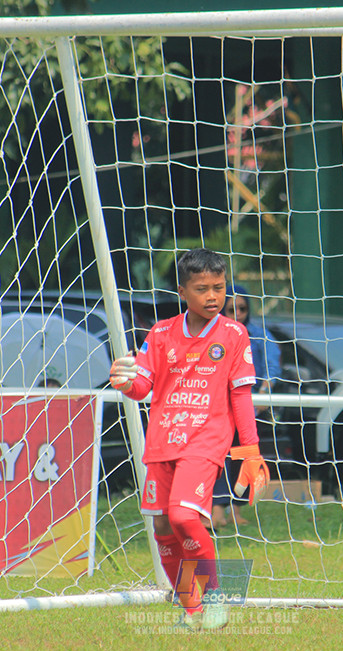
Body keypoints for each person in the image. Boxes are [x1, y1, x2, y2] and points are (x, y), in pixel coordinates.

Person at [108, 248, 266, 631]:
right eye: (202, 289)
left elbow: (241, 397)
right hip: (163, 441)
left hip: (205, 441)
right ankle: (190, 608)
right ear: (182, 291)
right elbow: (143, 385)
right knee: (162, 526)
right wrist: (124, 380)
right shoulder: (161, 333)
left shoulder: (233, 333)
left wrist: (250, 452)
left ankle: (215, 598)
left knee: (183, 517)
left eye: (219, 287)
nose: (213, 297)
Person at [211, 284, 282, 529]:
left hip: (249, 408)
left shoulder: (260, 335)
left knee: (245, 458)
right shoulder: (212, 335)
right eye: (231, 309)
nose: (237, 314)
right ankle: (216, 509)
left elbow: (272, 369)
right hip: (218, 409)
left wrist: (263, 395)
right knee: (219, 458)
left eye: (242, 308)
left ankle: (236, 509)